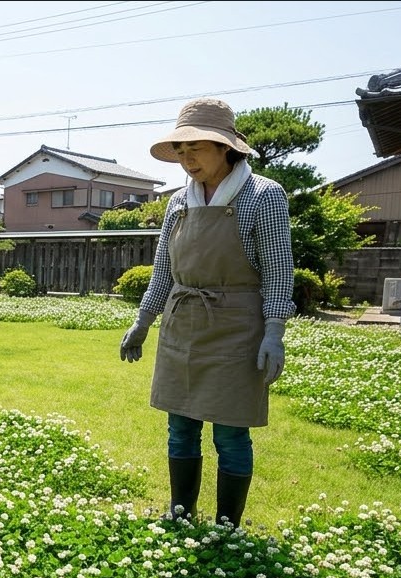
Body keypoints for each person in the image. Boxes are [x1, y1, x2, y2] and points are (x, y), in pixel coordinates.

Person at [118, 98, 295, 528]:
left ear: (226, 148)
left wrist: (274, 331)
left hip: (237, 324)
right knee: (180, 426)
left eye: (196, 146)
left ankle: (227, 527)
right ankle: (180, 514)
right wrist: (142, 321)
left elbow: (277, 268)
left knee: (231, 431)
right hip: (183, 321)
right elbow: (164, 269)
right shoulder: (179, 201)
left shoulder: (264, 195)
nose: (187, 158)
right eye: (180, 150)